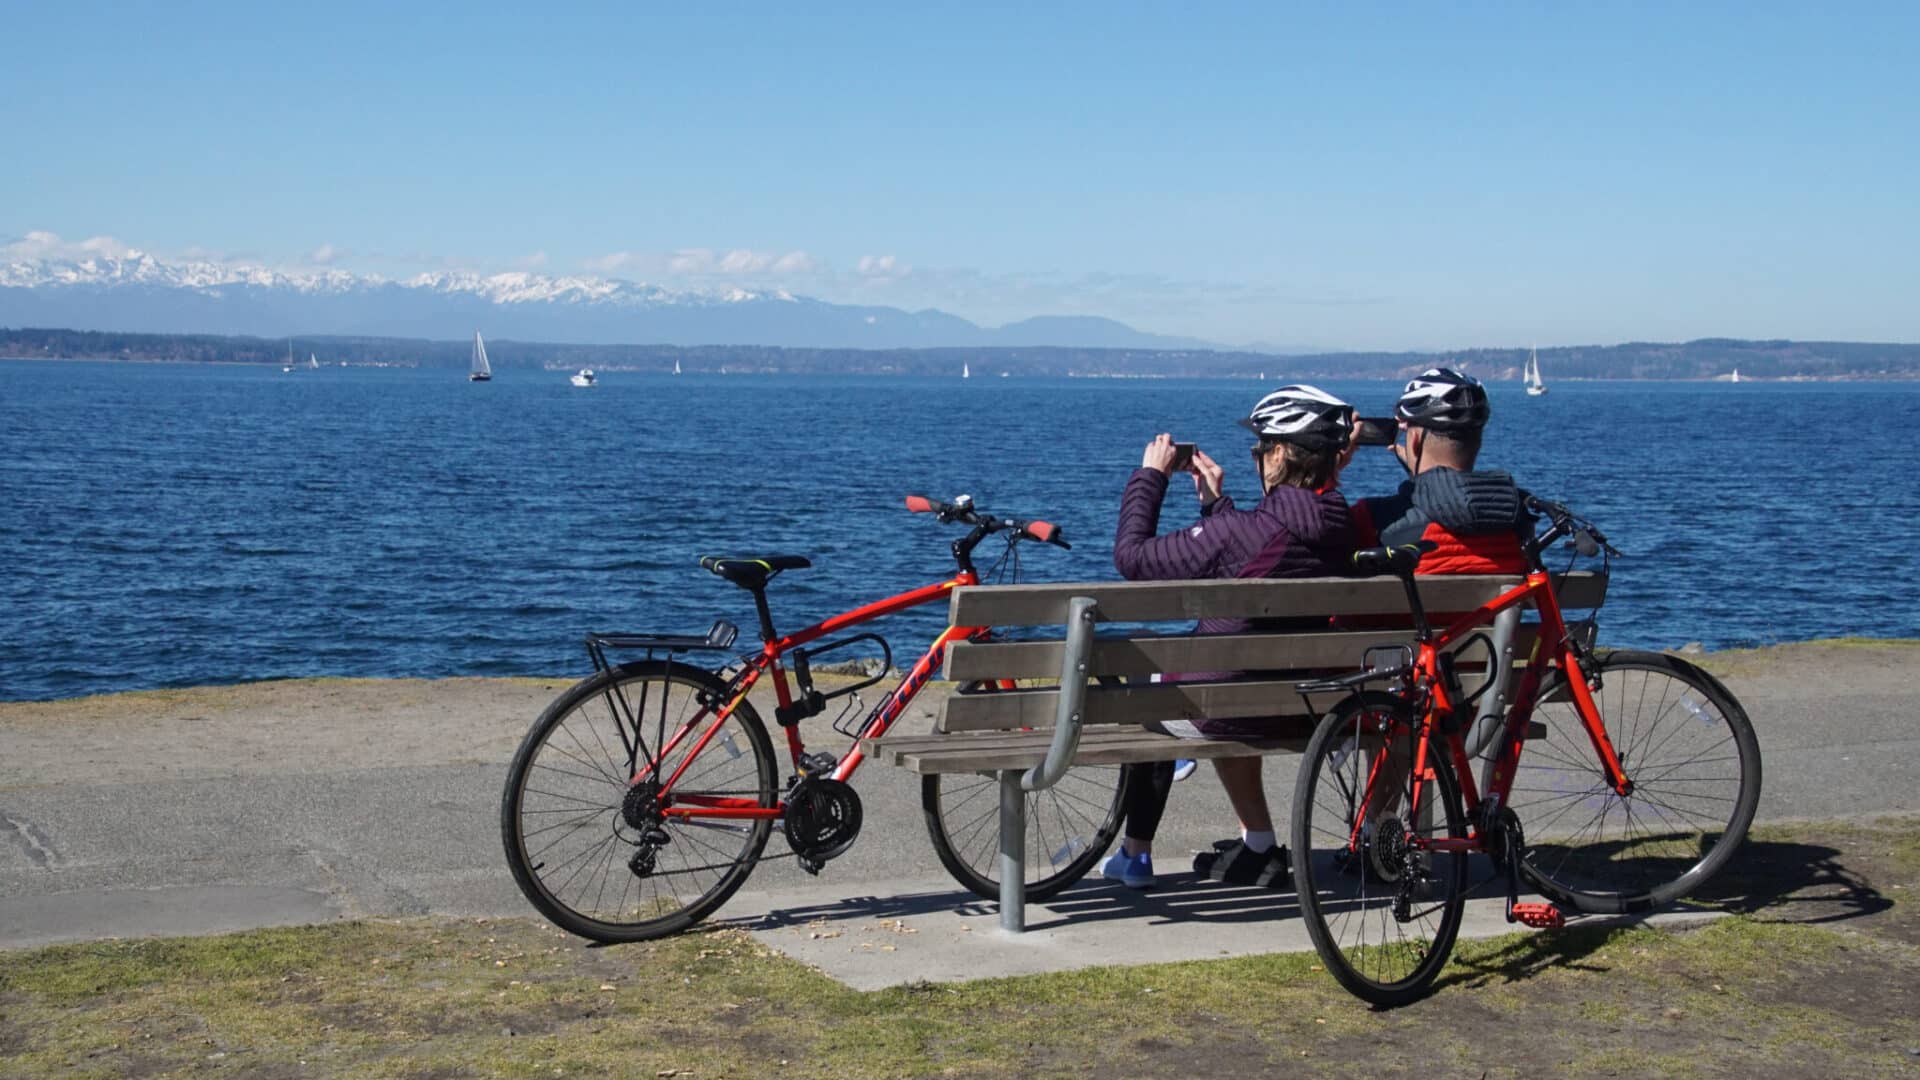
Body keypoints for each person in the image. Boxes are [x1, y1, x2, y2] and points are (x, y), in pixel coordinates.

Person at [1099, 386, 1358, 889]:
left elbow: (1132, 558)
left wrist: (1150, 476)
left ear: (1281, 454)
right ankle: (1256, 842)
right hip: (1307, 707)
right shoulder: (1349, 526)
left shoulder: (1244, 533)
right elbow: (1262, 548)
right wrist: (1218, 508)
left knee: (1139, 663)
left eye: (1260, 448)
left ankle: (1135, 855)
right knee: (1234, 671)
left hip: (1223, 706)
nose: (1257, 457)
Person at [1352, 367, 1529, 573]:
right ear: (1478, 443)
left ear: (1415, 441)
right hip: (1501, 605)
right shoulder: (1516, 516)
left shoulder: (1372, 518)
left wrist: (1332, 466)